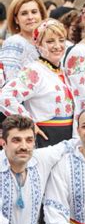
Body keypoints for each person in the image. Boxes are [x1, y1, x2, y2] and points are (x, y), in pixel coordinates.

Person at [0, 115, 76, 224]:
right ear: (4, 143)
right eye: (16, 140)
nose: (24, 146)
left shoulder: (42, 158)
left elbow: (71, 144)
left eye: (29, 140)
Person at [0, 19, 74, 147]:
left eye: (61, 40)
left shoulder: (63, 70)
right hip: (46, 136)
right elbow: (6, 97)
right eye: (50, 41)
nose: (57, 46)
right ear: (38, 44)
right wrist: (29, 124)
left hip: (67, 135)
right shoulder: (35, 71)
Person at [0, 0, 46, 87]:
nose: (30, 17)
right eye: (24, 13)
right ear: (16, 19)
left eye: (34, 12)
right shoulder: (13, 43)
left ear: (41, 15)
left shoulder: (45, 41)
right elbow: (10, 84)